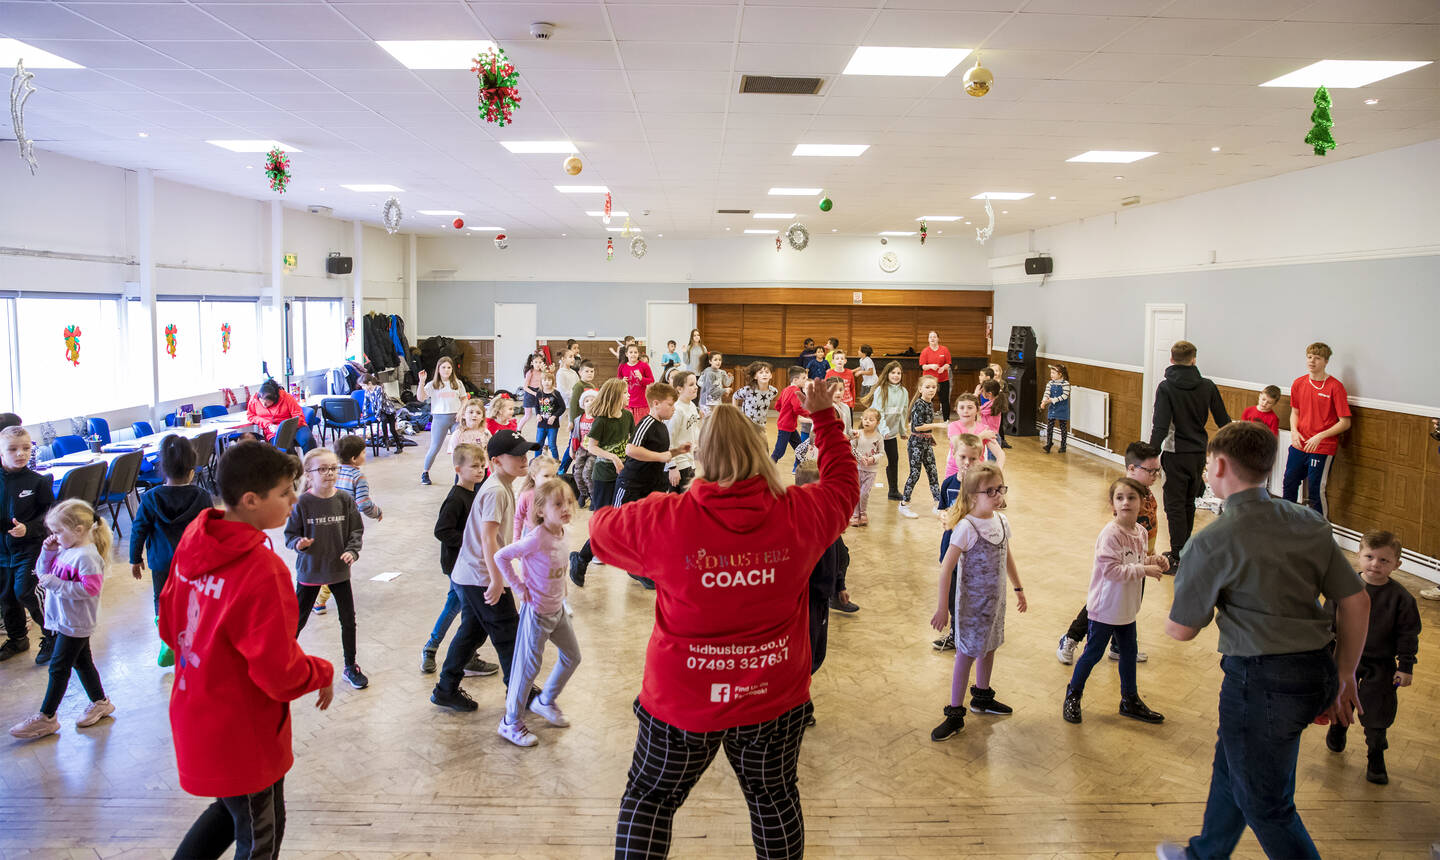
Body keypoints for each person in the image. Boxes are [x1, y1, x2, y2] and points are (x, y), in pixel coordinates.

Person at [589, 380, 857, 859]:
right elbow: (843, 487)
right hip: (773, 695)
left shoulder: (664, 519)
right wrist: (826, 417)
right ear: (759, 451)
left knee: (650, 800)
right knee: (773, 798)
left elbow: (601, 532)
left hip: (682, 700)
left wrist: (647, 501)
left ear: (703, 458)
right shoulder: (801, 512)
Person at [1157, 421, 1369, 860]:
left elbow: (1182, 630)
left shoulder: (1211, 540)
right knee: (1233, 764)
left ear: (1217, 465)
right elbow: (1357, 602)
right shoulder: (1309, 522)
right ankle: (1204, 854)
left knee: (1267, 804)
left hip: (1262, 682)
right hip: (1317, 672)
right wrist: (1346, 674)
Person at [159, 440, 333, 859]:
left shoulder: (194, 541)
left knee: (231, 809)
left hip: (196, 712)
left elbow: (168, 626)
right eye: (286, 492)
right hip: (244, 733)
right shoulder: (262, 571)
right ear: (252, 500)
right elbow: (279, 674)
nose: (295, 499)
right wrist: (322, 671)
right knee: (259, 837)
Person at [429, 430, 540, 714]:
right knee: (508, 633)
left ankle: (445, 689)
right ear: (496, 461)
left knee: (472, 632)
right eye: (516, 455)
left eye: (525, 453)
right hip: (481, 576)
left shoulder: (501, 486)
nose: (523, 458)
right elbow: (488, 539)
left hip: (474, 575)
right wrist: (495, 580)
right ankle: (520, 689)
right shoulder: (494, 492)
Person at [928, 463, 1026, 741]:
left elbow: (1007, 556)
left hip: (995, 605)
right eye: (990, 491)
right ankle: (955, 713)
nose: (997, 495)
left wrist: (1018, 587)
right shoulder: (966, 528)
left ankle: (982, 696)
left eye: (1000, 489)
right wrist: (942, 608)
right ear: (972, 496)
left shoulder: (1002, 522)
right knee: (966, 655)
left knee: (990, 647)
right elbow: (946, 568)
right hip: (971, 608)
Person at [1060, 477, 1168, 726]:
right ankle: (1072, 695)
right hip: (1105, 608)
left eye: (1131, 497)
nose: (1126, 502)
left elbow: (1138, 559)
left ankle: (1129, 700)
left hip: (1126, 609)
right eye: (1120, 498)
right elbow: (1113, 571)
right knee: (1093, 654)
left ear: (1142, 503)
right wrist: (1144, 570)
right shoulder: (1110, 534)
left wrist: (1155, 561)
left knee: (1129, 654)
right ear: (1112, 505)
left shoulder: (1140, 531)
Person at [8, 500, 115, 740]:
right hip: (64, 618)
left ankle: (47, 717)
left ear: (78, 529)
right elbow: (42, 572)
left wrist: (58, 585)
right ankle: (101, 702)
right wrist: (48, 552)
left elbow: (91, 589)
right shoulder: (67, 549)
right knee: (81, 662)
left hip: (76, 622)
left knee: (59, 667)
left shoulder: (87, 557)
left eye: (58, 531)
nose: (54, 536)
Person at [1322, 530, 1421, 786]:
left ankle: (1376, 754)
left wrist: (1406, 666)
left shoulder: (1402, 599)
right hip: (1344, 657)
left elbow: (1408, 634)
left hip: (1381, 663)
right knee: (1341, 699)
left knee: (1378, 710)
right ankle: (1338, 728)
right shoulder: (1342, 588)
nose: (1375, 564)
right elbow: (1326, 623)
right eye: (1370, 556)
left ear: (1397, 565)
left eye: (1384, 560)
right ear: (1359, 555)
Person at [492, 479, 582, 747]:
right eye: (558, 504)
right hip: (537, 613)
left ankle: (544, 701)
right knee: (527, 669)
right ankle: (510, 722)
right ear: (541, 510)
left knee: (572, 656)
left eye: (568, 502)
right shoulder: (535, 538)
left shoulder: (563, 533)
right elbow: (501, 557)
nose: (565, 508)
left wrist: (562, 592)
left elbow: (557, 569)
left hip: (557, 611)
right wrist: (519, 588)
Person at [1057, 441, 1163, 665]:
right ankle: (1070, 638)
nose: (1155, 475)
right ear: (1132, 469)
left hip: (1141, 561)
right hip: (1120, 563)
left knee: (1130, 604)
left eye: (1157, 471)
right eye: (1150, 470)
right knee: (1100, 605)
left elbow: (1147, 529)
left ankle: (1119, 647)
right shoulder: (1124, 497)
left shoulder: (1149, 496)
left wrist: (1150, 556)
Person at [287, 448, 368, 690]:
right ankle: (282, 663)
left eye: (333, 468)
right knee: (296, 621)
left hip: (338, 570)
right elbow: (290, 534)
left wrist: (352, 551)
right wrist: (298, 544)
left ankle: (350, 666)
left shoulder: (344, 500)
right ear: (309, 475)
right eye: (323, 469)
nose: (330, 473)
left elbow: (356, 530)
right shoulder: (302, 503)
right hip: (310, 571)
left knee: (348, 620)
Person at [129, 434, 213, 668]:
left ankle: (167, 639)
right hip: (193, 562)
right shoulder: (202, 496)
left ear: (161, 469)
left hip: (161, 562)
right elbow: (211, 529)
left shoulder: (150, 498)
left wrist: (135, 559)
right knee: (192, 600)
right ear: (192, 470)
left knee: (162, 599)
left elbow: (139, 530)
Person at [1147, 340, 1230, 572]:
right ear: (1194, 359)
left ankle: (1177, 556)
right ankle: (1183, 552)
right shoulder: (1208, 386)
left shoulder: (1166, 387)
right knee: (1188, 503)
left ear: (1171, 360)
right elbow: (1224, 421)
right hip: (1197, 455)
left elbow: (1160, 427)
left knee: (1174, 506)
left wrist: (1151, 455)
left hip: (1175, 453)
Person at [421, 443, 500, 677]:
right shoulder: (456, 498)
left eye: (482, 466)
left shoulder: (476, 491)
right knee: (469, 611)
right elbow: (441, 531)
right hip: (456, 564)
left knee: (454, 606)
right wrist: (469, 541)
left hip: (467, 564)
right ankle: (465, 657)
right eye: (474, 467)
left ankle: (432, 648)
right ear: (458, 469)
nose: (480, 471)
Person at [0, 425, 55, 663]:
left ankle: (52, 635)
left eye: (26, 448)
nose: (21, 454)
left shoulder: (38, 482)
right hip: (3, 552)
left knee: (26, 592)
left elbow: (50, 518)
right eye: (13, 449)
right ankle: (17, 639)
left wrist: (29, 529)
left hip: (31, 549)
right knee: (6, 596)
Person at [1283, 342, 1351, 518]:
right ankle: (1286, 524)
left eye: (1317, 358)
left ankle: (1320, 530)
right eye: (1309, 357)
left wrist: (1320, 436)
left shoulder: (1335, 387)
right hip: (1300, 443)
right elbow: (1294, 413)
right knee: (1289, 483)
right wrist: (1294, 432)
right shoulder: (1298, 383)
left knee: (1315, 489)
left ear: (1326, 362)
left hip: (1322, 447)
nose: (1312, 361)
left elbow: (1345, 422)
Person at [579, 378, 632, 513]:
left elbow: (631, 441)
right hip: (604, 475)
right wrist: (614, 457)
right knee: (603, 513)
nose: (629, 395)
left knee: (618, 511)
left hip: (622, 473)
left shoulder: (627, 415)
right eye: (625, 392)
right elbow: (592, 447)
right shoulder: (601, 421)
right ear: (615, 396)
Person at [899, 375, 946, 519]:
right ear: (920, 389)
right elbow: (917, 427)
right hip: (916, 444)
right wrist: (938, 425)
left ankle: (938, 504)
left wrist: (930, 436)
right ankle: (904, 504)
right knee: (915, 474)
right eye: (927, 387)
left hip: (925, 443)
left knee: (933, 473)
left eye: (933, 387)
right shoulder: (919, 404)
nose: (931, 390)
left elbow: (924, 427)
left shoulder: (930, 404)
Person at [417, 356, 466, 486]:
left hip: (456, 418)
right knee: (435, 447)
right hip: (439, 419)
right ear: (438, 369)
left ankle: (460, 473)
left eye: (449, 367)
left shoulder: (457, 383)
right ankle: (425, 472)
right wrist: (421, 382)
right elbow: (421, 398)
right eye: (443, 367)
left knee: (458, 447)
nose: (446, 370)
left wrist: (461, 412)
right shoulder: (433, 385)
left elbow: (464, 399)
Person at [863, 361, 908, 501]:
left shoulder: (903, 392)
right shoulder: (881, 390)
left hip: (890, 434)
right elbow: (879, 413)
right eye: (893, 372)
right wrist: (884, 430)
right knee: (867, 461)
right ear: (887, 374)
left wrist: (902, 430)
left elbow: (903, 413)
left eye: (898, 373)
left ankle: (893, 491)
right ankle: (858, 488)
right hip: (875, 432)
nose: (896, 375)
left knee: (894, 460)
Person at [246, 379, 309, 449]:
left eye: (267, 402)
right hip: (273, 431)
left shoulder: (286, 397)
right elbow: (250, 415)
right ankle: (294, 460)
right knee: (285, 447)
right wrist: (268, 424)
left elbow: (298, 416)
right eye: (261, 401)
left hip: (294, 426)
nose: (264, 405)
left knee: (308, 440)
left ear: (275, 399)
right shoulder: (254, 399)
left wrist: (284, 427)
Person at [664, 370, 701, 492]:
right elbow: (667, 439)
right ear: (679, 389)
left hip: (690, 460)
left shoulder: (691, 406)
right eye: (691, 385)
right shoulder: (677, 410)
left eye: (695, 384)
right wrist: (672, 467)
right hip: (679, 463)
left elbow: (693, 431)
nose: (696, 387)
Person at [850, 408, 885, 527]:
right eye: (865, 419)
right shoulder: (857, 434)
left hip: (871, 471)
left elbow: (881, 453)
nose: (867, 422)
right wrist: (858, 458)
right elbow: (851, 448)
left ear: (877, 422)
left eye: (871, 420)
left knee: (864, 493)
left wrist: (872, 459)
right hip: (857, 469)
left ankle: (863, 513)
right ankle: (855, 514)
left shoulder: (879, 438)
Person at [512, 454, 558, 542]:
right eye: (546, 476)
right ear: (534, 476)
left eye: (553, 476)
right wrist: (516, 540)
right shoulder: (526, 496)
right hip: (530, 534)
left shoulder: (556, 493)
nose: (550, 480)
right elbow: (518, 517)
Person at [771, 367, 809, 462]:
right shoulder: (796, 391)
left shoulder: (786, 389)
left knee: (800, 448)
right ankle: (767, 468)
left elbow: (777, 406)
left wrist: (785, 413)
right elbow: (797, 408)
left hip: (788, 425)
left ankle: (803, 468)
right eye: (804, 378)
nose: (806, 380)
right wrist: (810, 414)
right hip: (786, 426)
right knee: (779, 451)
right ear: (796, 380)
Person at [733, 361, 778, 441]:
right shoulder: (748, 390)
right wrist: (735, 412)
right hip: (746, 425)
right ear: (755, 377)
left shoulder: (773, 391)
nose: (764, 374)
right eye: (761, 372)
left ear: (771, 375)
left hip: (761, 426)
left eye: (767, 372)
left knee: (763, 448)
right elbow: (735, 396)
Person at [570, 389, 600, 508]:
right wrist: (572, 449)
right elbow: (575, 436)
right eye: (587, 400)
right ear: (583, 404)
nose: (590, 402)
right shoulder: (579, 419)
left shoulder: (599, 419)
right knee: (577, 473)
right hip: (581, 450)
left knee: (587, 473)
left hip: (593, 450)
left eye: (593, 400)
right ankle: (583, 493)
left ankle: (593, 496)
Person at [360, 374, 404, 454]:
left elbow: (380, 403)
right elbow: (365, 404)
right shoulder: (367, 392)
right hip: (380, 411)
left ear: (369, 383)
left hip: (388, 410)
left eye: (363, 385)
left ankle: (399, 445)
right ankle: (385, 439)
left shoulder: (378, 389)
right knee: (383, 422)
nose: (362, 388)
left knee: (392, 429)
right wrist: (365, 415)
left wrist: (377, 415)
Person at [919, 330, 953, 421]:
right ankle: (921, 418)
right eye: (930, 337)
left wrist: (943, 368)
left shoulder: (944, 349)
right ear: (928, 340)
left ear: (938, 339)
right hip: (928, 380)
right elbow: (922, 367)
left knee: (944, 400)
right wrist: (931, 366)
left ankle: (947, 420)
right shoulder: (925, 351)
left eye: (934, 337)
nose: (932, 339)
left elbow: (948, 363)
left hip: (943, 379)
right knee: (925, 399)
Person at [618, 343, 655, 423]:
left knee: (640, 427)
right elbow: (618, 382)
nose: (633, 354)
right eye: (631, 352)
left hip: (641, 403)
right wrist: (622, 381)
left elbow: (652, 381)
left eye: (635, 352)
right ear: (626, 354)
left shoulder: (644, 366)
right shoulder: (622, 366)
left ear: (638, 354)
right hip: (627, 403)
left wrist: (642, 378)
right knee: (627, 427)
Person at [533, 373, 567, 460]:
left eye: (549, 380)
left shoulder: (556, 393)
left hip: (553, 425)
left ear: (553, 381)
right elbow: (536, 406)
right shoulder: (539, 393)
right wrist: (537, 414)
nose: (547, 382)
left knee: (552, 445)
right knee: (538, 444)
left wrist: (554, 416)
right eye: (544, 380)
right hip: (541, 424)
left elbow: (562, 407)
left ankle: (556, 463)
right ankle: (536, 462)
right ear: (541, 381)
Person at [1040, 364, 1071, 454]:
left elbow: (1065, 396)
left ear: (1060, 374)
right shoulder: (1050, 383)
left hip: (1062, 408)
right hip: (1052, 407)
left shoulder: (1065, 384)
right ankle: (1049, 443)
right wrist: (1043, 402)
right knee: (1050, 426)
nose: (1051, 375)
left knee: (1063, 427)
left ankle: (1063, 445)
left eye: (1053, 373)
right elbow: (1046, 393)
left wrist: (1052, 400)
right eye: (1051, 373)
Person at [518, 353, 548, 436]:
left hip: (540, 392)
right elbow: (525, 387)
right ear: (532, 363)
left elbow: (547, 381)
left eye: (540, 362)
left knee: (543, 414)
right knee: (527, 415)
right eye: (536, 362)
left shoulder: (543, 372)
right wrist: (534, 393)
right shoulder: (530, 372)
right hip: (530, 394)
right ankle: (518, 430)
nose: (538, 364)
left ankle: (542, 433)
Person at [697, 352, 733, 416]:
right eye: (715, 360)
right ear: (710, 361)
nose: (718, 362)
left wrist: (730, 378)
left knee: (715, 417)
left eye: (720, 360)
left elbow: (727, 384)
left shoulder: (722, 372)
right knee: (707, 418)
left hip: (717, 398)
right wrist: (707, 385)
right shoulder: (707, 371)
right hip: (707, 399)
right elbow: (699, 382)